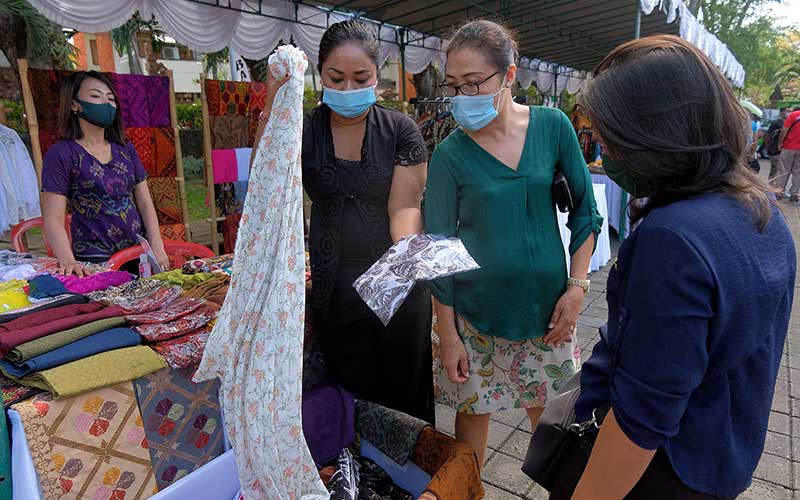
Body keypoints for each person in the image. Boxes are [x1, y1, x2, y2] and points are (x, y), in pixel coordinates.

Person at [546, 36, 795, 499]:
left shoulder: (672, 238)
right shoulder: (759, 206)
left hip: (662, 471)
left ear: (652, 136)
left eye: (608, 140)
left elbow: (642, 418)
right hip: (720, 452)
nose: (604, 153)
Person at [424, 20, 601, 467]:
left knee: (558, 431)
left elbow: (586, 212)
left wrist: (577, 287)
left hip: (548, 314)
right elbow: (438, 250)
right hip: (474, 318)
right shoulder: (449, 155)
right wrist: (448, 335)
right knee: (471, 426)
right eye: (454, 85)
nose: (462, 96)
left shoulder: (553, 127)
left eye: (473, 82)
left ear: (509, 75)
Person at [300, 20, 434, 424]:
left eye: (361, 78)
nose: (346, 90)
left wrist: (404, 253)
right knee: (347, 397)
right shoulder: (303, 129)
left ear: (377, 75)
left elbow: (405, 206)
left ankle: (411, 480)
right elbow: (269, 188)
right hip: (332, 284)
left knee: (402, 393)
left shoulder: (400, 130)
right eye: (335, 78)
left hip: (395, 283)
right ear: (319, 74)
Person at [41, 71, 168, 276]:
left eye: (110, 98)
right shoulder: (62, 153)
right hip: (94, 261)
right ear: (75, 104)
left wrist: (156, 243)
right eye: (95, 96)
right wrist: (68, 261)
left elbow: (144, 202)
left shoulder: (126, 150)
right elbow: (53, 218)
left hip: (137, 254)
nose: (106, 103)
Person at [767, 106, 792, 193]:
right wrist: (768, 147)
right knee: (776, 168)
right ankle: (770, 187)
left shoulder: (789, 123)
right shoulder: (776, 123)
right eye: (788, 111)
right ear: (782, 112)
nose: (789, 113)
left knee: (780, 169)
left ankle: (773, 187)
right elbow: (768, 136)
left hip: (785, 149)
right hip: (775, 149)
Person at [779, 106, 800, 202]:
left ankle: (779, 192)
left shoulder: (793, 115)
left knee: (784, 169)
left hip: (789, 147)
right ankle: (794, 194)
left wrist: (780, 142)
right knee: (797, 172)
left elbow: (784, 130)